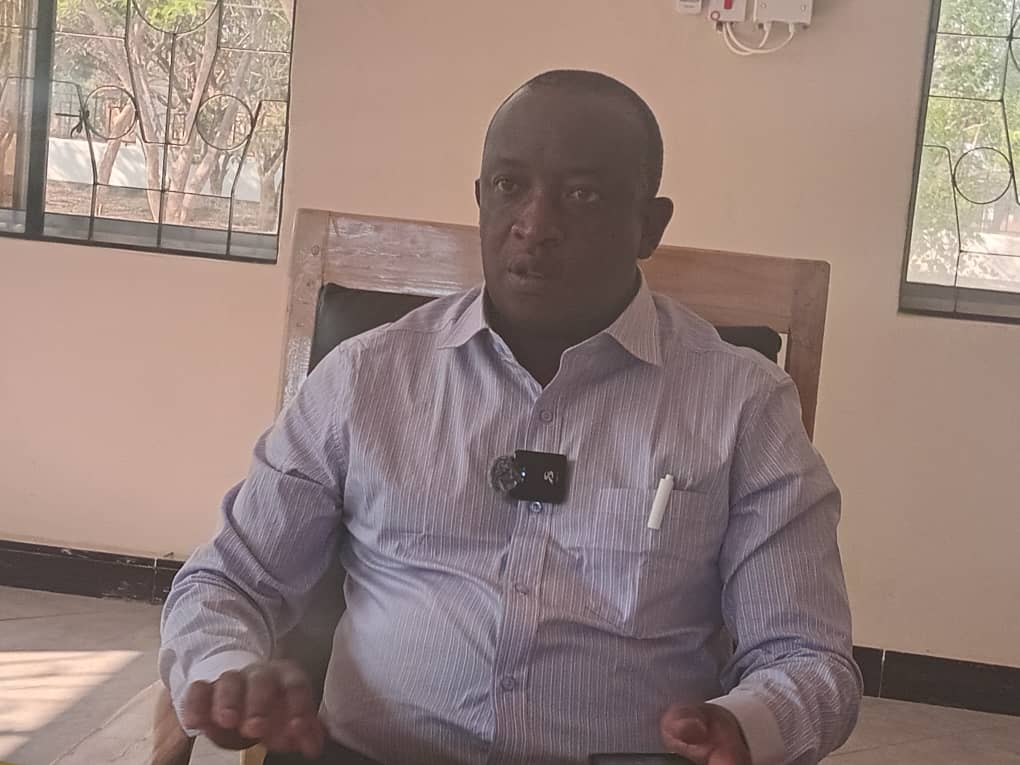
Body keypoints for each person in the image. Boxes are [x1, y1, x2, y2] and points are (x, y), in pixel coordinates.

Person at [160, 70, 862, 765]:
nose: (535, 225)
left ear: (649, 226)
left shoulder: (744, 406)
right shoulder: (364, 378)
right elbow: (226, 581)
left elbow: (808, 656)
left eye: (582, 195)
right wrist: (226, 671)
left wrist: (743, 723)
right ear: (480, 200)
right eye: (508, 186)